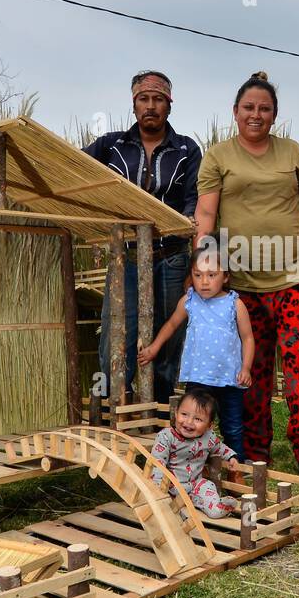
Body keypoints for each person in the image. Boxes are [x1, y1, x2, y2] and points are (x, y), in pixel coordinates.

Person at [194, 72, 299, 478]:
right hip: (241, 286)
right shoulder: (218, 156)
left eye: (264, 109)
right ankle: (255, 453)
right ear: (235, 112)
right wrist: (205, 261)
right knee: (249, 373)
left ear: (275, 115)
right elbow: (206, 213)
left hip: (292, 279)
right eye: (249, 108)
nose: (256, 115)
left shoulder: (293, 153)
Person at [83, 70, 201, 405]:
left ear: (169, 104)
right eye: (143, 99)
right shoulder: (111, 145)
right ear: (133, 104)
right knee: (116, 337)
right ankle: (112, 412)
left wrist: (194, 258)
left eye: (158, 99)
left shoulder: (186, 149)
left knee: (168, 340)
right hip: (127, 259)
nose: (151, 106)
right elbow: (78, 169)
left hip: (172, 257)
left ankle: (162, 415)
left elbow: (194, 200)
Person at [139, 250, 254, 459]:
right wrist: (154, 347)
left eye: (212, 275)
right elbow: (172, 324)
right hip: (198, 379)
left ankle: (236, 467)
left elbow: (247, 338)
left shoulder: (234, 304)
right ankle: (193, 463)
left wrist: (246, 368)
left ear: (226, 276)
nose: (204, 282)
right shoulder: (189, 301)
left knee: (233, 426)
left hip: (229, 378)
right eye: (198, 274)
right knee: (194, 422)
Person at [149, 389, 240, 518]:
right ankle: (173, 511)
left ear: (209, 425)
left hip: (195, 484)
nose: (189, 422)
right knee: (165, 502)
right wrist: (158, 487)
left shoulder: (208, 437)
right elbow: (157, 462)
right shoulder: (166, 437)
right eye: (184, 414)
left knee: (208, 486)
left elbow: (219, 447)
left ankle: (216, 508)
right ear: (176, 413)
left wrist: (231, 457)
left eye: (198, 419)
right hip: (170, 486)